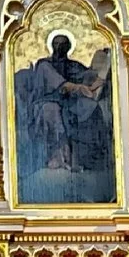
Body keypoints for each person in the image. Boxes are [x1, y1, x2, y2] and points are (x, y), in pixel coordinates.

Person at [20, 32, 113, 188]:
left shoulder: (73, 65)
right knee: (52, 111)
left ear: (69, 47)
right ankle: (58, 158)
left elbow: (89, 76)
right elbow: (60, 85)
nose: (59, 47)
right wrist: (79, 88)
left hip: (70, 100)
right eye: (57, 43)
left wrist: (105, 67)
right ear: (51, 46)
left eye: (63, 44)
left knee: (92, 108)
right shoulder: (44, 64)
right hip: (46, 101)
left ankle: (90, 157)